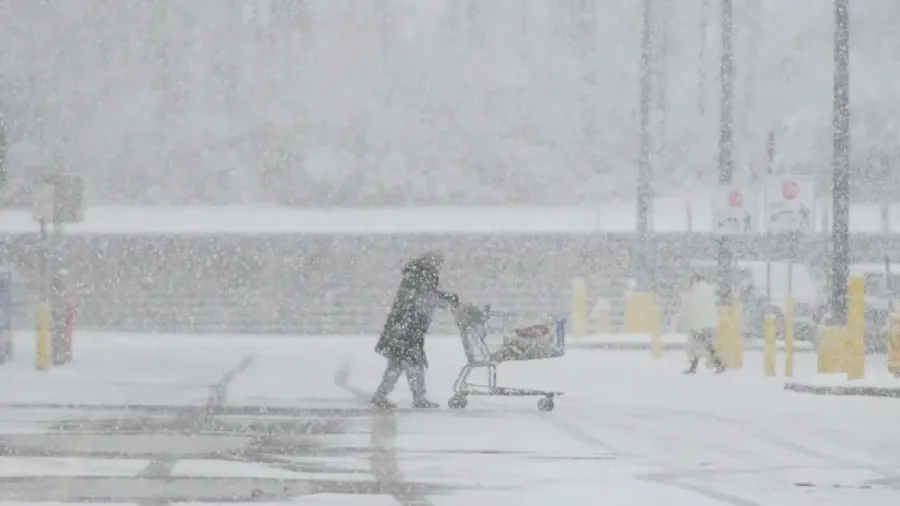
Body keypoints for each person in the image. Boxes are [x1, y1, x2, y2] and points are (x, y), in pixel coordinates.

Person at [372, 251, 457, 409]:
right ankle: (418, 398)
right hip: (408, 328)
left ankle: (382, 395)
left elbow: (421, 297)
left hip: (402, 326)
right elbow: (425, 296)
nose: (439, 265)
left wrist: (442, 298)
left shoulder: (415, 274)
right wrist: (447, 298)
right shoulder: (423, 275)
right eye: (438, 261)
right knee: (413, 363)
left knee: (397, 364)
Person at [684, 273, 726, 374]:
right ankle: (716, 365)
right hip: (708, 323)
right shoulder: (706, 289)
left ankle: (716, 365)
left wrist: (695, 326)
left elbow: (696, 309)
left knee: (696, 346)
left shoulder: (698, 290)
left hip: (701, 325)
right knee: (705, 346)